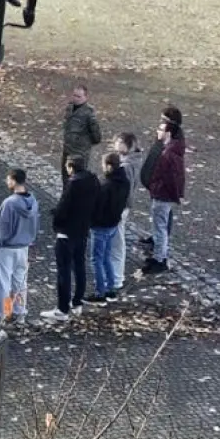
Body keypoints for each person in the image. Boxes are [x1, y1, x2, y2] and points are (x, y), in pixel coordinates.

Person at [43, 155, 99, 322]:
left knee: (64, 270)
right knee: (80, 266)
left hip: (67, 231)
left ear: (71, 167)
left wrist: (57, 223)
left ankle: (62, 308)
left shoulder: (73, 183)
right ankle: (77, 302)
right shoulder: (93, 181)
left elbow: (63, 207)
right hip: (82, 230)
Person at [0, 168, 38, 325]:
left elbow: (3, 228)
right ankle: (19, 312)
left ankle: (1, 314)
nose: (6, 182)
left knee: (3, 283)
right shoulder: (33, 201)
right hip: (24, 247)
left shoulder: (9, 203)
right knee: (20, 283)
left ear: (14, 181)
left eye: (8, 179)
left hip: (6, 248)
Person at [140, 105, 183, 261]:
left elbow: (172, 177)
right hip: (157, 188)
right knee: (160, 222)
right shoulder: (166, 143)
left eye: (162, 123)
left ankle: (160, 257)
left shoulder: (170, 151)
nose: (158, 128)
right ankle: (158, 246)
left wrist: (157, 186)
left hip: (161, 191)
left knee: (162, 223)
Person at [88, 151, 130, 303]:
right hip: (113, 223)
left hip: (101, 226)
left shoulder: (105, 185)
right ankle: (111, 289)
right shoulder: (124, 182)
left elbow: (97, 207)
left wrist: (91, 221)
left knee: (96, 259)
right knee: (106, 257)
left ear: (109, 166)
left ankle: (100, 292)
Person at [109, 132, 143, 288]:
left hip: (119, 207)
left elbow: (125, 190)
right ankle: (115, 276)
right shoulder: (132, 161)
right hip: (122, 206)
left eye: (119, 142)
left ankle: (116, 278)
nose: (115, 145)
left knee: (117, 242)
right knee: (116, 241)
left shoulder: (127, 166)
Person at [61, 84, 103, 181]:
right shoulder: (69, 108)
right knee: (65, 178)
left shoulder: (89, 113)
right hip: (67, 150)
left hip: (79, 154)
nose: (76, 99)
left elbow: (96, 136)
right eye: (74, 95)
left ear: (85, 97)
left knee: (78, 180)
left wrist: (84, 144)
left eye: (79, 96)